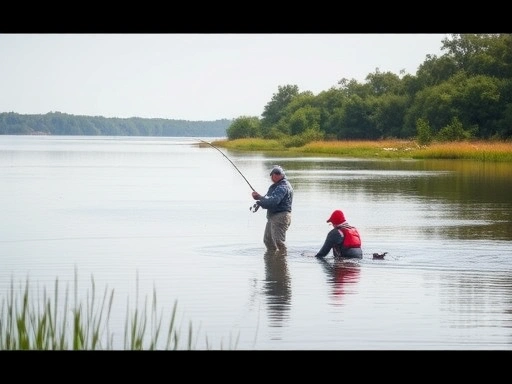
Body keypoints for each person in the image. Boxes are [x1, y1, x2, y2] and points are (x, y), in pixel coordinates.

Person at [251, 165, 293, 252]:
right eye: (274, 175)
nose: (273, 177)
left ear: (277, 175)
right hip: (274, 217)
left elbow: (273, 202)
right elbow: (270, 200)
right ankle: (272, 263)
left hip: (280, 217)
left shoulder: (282, 187)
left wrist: (259, 200)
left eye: (274, 175)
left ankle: (282, 262)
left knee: (278, 242)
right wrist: (260, 198)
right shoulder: (279, 186)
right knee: (268, 241)